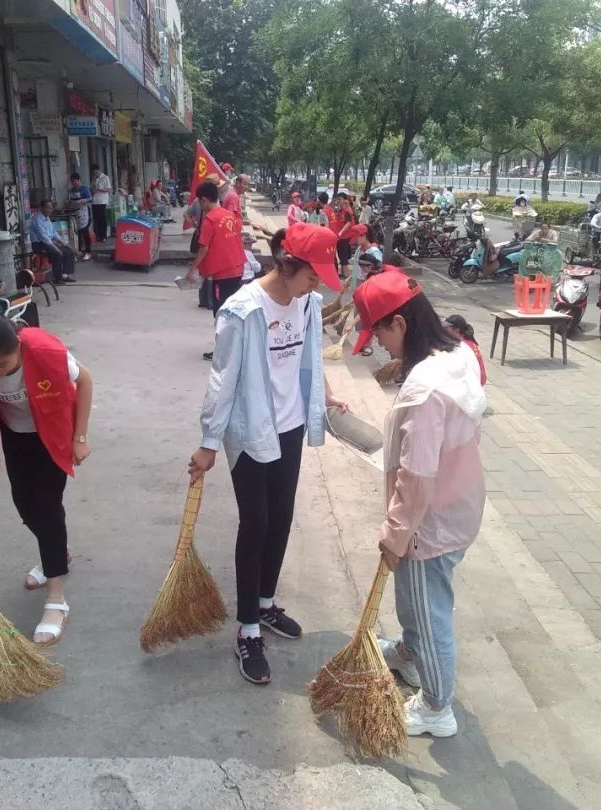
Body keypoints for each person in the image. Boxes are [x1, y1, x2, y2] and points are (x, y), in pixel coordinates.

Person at [189, 222, 349, 685]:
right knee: (255, 522)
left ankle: (265, 603)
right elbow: (221, 379)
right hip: (250, 428)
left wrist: (326, 393)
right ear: (285, 265)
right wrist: (208, 443)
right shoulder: (242, 311)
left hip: (290, 427)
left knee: (281, 519)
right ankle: (247, 629)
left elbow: (307, 359)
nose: (316, 284)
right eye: (311, 275)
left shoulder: (308, 304)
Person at [351, 271, 486, 738]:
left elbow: (417, 476)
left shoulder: (425, 391)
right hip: (459, 502)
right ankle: (409, 654)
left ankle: (436, 708)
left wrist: (394, 534)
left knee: (431, 616)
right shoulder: (457, 352)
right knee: (415, 601)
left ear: (401, 324)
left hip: (429, 523)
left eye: (380, 333)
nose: (381, 346)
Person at [0, 313, 93, 646]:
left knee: (47, 507)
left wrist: (80, 437)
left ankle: (56, 596)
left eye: (4, 365)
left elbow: (85, 381)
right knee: (25, 506)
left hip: (53, 433)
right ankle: (58, 550)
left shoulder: (46, 352)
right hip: (16, 436)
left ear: (19, 345)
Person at [185, 179, 246, 360]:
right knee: (233, 311)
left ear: (204, 200)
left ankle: (224, 351)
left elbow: (204, 248)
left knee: (221, 313)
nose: (200, 205)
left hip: (223, 273)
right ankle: (234, 347)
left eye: (200, 201)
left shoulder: (210, 219)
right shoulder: (229, 215)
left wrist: (192, 270)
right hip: (237, 269)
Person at [29, 199, 77, 283]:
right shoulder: (37, 219)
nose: (49, 210)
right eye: (47, 208)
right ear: (41, 208)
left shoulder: (47, 218)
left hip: (48, 242)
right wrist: (55, 247)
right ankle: (57, 278)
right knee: (58, 253)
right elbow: (43, 237)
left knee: (69, 251)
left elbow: (54, 233)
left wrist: (64, 243)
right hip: (39, 244)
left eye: (51, 208)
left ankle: (64, 275)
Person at [444, 314, 487, 385]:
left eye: (447, 328)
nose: (445, 330)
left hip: (472, 383)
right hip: (479, 379)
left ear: (457, 330)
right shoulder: (470, 341)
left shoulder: (462, 346)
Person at [68, 173, 93, 260]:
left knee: (85, 232)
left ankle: (88, 252)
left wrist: (83, 200)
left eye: (75, 182)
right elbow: (70, 200)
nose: (74, 183)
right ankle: (78, 252)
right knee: (76, 233)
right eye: (72, 182)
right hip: (75, 213)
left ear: (79, 180)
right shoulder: (71, 190)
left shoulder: (84, 189)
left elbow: (90, 199)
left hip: (84, 213)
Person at [332, 192, 355, 270]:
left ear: (345, 200)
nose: (338, 201)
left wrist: (340, 232)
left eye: (340, 199)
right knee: (341, 257)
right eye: (337, 199)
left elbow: (348, 223)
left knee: (343, 258)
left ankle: (347, 275)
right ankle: (343, 273)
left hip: (345, 237)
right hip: (340, 237)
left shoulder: (347, 211)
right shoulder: (340, 210)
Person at [90, 164, 112, 242]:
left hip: (103, 201)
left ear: (98, 170)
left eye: (95, 172)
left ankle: (104, 236)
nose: (94, 173)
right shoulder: (94, 179)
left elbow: (108, 189)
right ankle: (98, 236)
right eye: (93, 172)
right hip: (95, 201)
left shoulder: (105, 177)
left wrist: (100, 189)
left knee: (102, 219)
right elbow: (92, 188)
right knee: (96, 219)